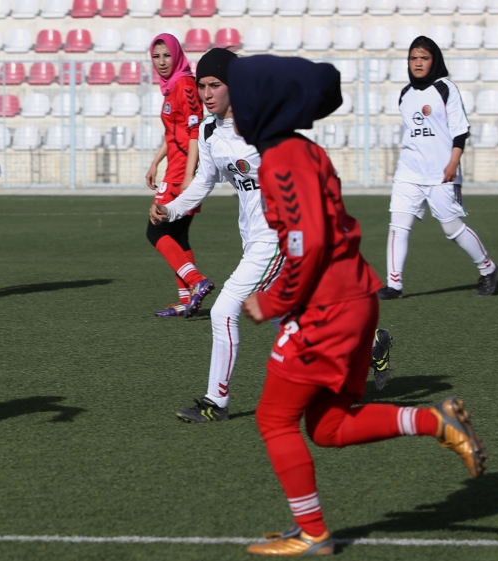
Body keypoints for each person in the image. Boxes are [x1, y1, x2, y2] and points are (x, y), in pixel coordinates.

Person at [229, 55, 485, 556]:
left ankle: (313, 533)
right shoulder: (298, 149)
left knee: (273, 419)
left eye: (239, 100)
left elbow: (309, 240)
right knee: (327, 427)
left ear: (263, 103)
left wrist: (276, 299)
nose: (234, 110)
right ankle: (437, 422)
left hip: (328, 307)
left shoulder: (283, 156)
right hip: (351, 299)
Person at [153, 50, 394, 423]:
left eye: (215, 85)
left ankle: (215, 402)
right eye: (201, 86)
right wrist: (170, 210)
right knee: (283, 319)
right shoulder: (209, 131)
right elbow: (203, 183)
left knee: (223, 311)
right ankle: (367, 345)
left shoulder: (264, 126)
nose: (206, 93)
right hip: (253, 239)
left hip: (277, 239)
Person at [380, 36, 498, 299]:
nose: (418, 63)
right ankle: (394, 285)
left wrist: (453, 162)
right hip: (409, 171)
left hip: (441, 172)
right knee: (398, 224)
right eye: (413, 58)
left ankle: (488, 268)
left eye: (424, 58)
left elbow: (460, 131)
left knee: (451, 228)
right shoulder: (405, 94)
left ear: (434, 60)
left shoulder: (445, 88)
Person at [146, 34, 213, 318]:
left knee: (156, 229)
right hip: (173, 168)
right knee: (178, 235)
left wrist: (188, 176)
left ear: (177, 55)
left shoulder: (185, 85)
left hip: (181, 172)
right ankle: (186, 299)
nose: (162, 62)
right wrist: (155, 163)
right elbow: (173, 132)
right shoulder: (171, 86)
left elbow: (195, 130)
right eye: (156, 57)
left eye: (166, 56)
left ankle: (196, 282)